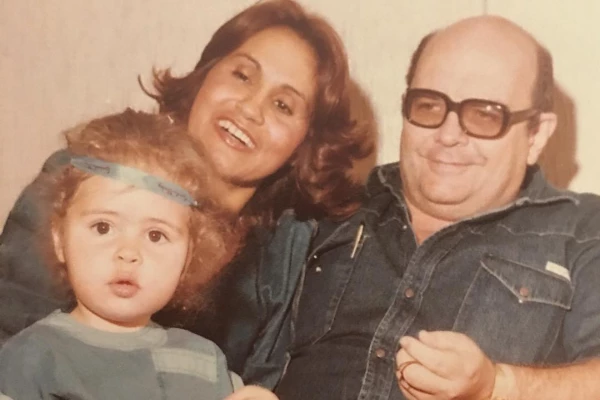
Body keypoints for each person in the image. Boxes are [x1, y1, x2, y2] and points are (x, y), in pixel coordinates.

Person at [0, 0, 371, 388]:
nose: (250, 109)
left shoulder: (285, 251)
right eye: (242, 75)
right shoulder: (89, 178)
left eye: (283, 105)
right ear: (202, 79)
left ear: (305, 143)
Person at [269, 15, 600, 400]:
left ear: (536, 135)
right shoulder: (327, 202)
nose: (448, 135)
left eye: (485, 114)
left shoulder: (582, 230)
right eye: (429, 105)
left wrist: (498, 386)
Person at [0, 110, 278, 400]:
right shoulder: (33, 357)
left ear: (188, 258)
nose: (128, 253)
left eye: (155, 235)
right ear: (60, 240)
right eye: (103, 227)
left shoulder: (204, 362)